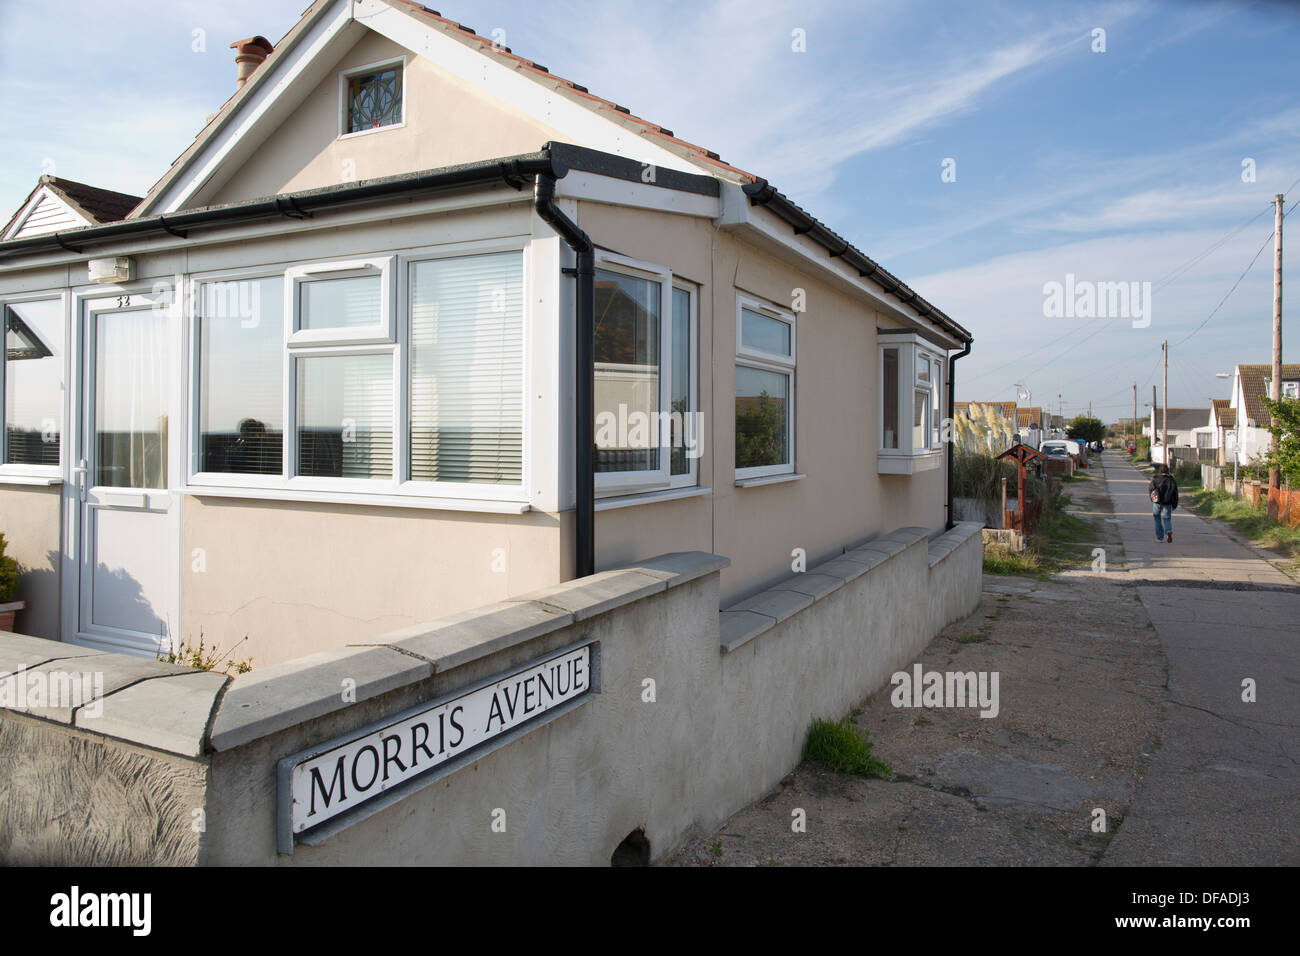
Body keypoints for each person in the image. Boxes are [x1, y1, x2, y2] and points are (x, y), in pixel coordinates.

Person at [1149, 464, 1179, 543]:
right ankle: (1168, 530)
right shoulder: (1171, 480)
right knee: (1167, 518)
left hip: (1157, 502)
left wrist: (1152, 499)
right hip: (1168, 502)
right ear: (1168, 470)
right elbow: (1175, 493)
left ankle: (1159, 538)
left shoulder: (1155, 479)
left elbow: (1151, 490)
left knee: (1157, 518)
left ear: (1160, 470)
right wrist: (1174, 504)